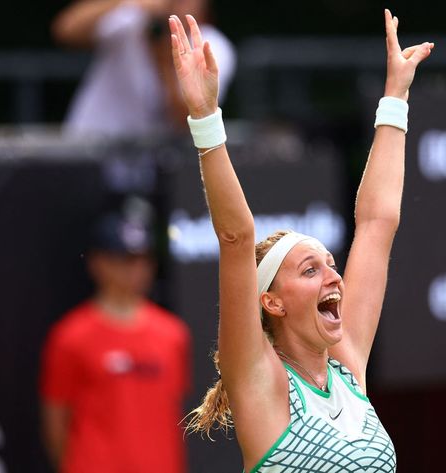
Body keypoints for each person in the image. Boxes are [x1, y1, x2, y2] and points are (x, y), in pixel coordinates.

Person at [168, 10, 432, 472]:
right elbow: (236, 237)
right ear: (271, 302)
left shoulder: (346, 368)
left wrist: (396, 97)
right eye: (310, 270)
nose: (334, 276)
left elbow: (376, 223)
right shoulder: (262, 382)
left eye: (329, 264)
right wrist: (205, 118)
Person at [39, 203, 191, 473]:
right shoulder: (71, 336)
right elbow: (55, 419)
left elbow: (173, 411)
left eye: (143, 259)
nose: (137, 269)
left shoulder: (173, 334)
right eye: (125, 260)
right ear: (98, 263)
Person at [52, 0, 236, 137]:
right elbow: (66, 30)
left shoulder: (210, 46)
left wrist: (164, 62)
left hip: (152, 167)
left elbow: (190, 120)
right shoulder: (130, 20)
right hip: (91, 148)